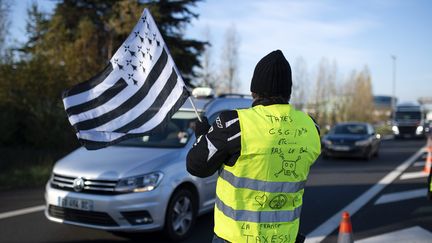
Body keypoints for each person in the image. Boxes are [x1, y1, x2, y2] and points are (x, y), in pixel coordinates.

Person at [186, 50, 321, 243]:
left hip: (236, 238)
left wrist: (202, 135)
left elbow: (196, 166)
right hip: (286, 238)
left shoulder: (235, 124)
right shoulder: (311, 126)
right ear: (288, 91)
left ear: (254, 90)